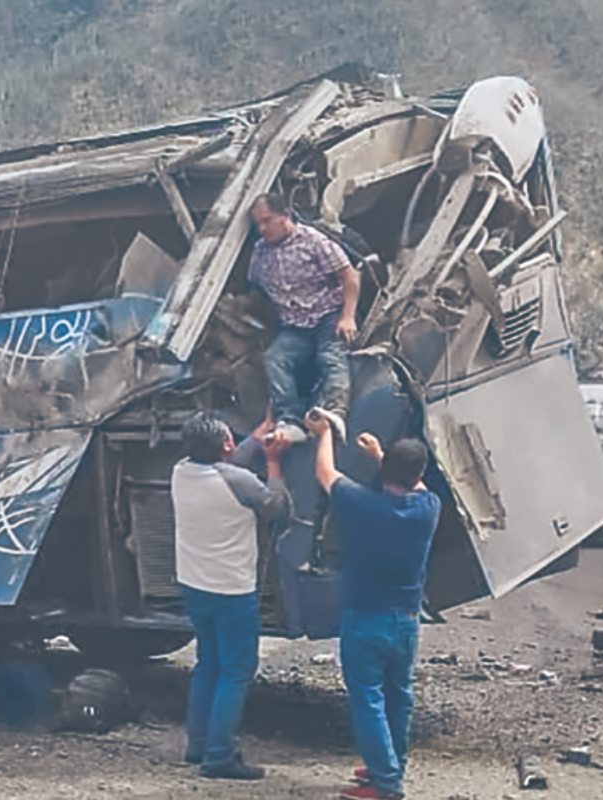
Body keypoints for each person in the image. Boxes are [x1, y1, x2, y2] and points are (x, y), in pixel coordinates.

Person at [305, 415, 441, 800]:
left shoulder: (362, 504)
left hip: (365, 619)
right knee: (398, 696)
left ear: (388, 473)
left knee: (368, 699)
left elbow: (324, 472)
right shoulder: (428, 508)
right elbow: (415, 483)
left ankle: (386, 784)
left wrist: (326, 432)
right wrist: (382, 456)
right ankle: (390, 764)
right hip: (407, 622)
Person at [172, 413, 291, 780]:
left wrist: (256, 437)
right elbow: (277, 506)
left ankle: (198, 743)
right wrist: (273, 461)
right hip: (232, 589)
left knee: (208, 663)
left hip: (193, 583)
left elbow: (227, 467)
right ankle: (219, 756)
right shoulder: (239, 480)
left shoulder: (181, 471)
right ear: (225, 444)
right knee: (236, 671)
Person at [248, 193, 361, 443]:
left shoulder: (313, 241)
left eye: (267, 220)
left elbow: (350, 276)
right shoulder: (260, 252)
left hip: (327, 316)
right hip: (294, 326)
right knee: (275, 359)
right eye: (258, 224)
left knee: (330, 356)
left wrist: (348, 317)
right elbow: (257, 291)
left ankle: (334, 413)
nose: (262, 228)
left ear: (285, 215)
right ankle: (290, 419)